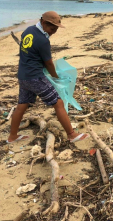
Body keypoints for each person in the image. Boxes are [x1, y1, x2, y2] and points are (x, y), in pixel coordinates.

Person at [7, 11, 89, 144]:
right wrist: (55, 77)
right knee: (58, 103)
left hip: (23, 76)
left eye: (56, 29)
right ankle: (71, 134)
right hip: (35, 77)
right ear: (43, 22)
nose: (53, 32)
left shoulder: (28, 30)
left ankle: (12, 136)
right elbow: (49, 63)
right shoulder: (42, 40)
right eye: (52, 28)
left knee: (22, 105)